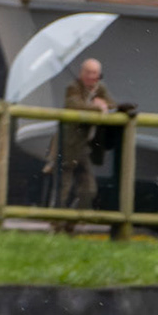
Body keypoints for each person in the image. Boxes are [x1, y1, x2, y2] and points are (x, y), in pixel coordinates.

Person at [53, 57, 113, 229]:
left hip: (84, 149)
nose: (91, 76)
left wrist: (103, 104)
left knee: (89, 189)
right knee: (63, 188)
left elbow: (111, 104)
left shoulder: (100, 89)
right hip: (68, 146)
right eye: (88, 72)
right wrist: (97, 107)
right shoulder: (73, 87)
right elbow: (74, 105)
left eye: (94, 73)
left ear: (99, 75)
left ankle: (72, 223)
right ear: (81, 73)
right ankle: (57, 223)